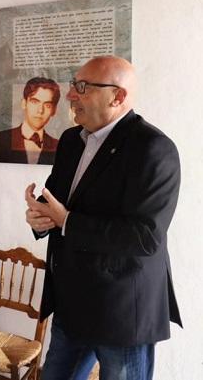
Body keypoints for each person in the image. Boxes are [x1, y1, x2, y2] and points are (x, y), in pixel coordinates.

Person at [25, 56, 181, 380]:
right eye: (73, 85)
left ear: (117, 96)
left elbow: (145, 236)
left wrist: (65, 220)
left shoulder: (154, 148)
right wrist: (39, 214)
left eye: (82, 88)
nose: (70, 96)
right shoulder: (71, 140)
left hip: (120, 312)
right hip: (71, 303)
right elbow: (58, 199)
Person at [0, 77, 61, 164]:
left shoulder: (59, 146)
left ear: (54, 110)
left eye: (47, 105)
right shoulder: (1, 139)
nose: (40, 110)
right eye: (35, 102)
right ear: (24, 103)